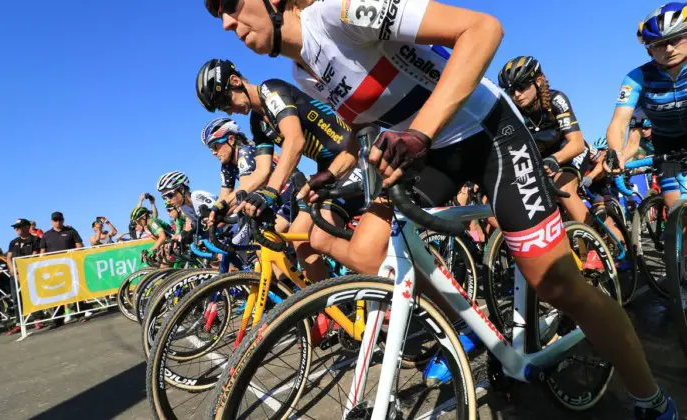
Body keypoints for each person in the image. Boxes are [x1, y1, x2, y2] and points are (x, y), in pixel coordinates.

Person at [206, 1, 675, 418]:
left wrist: (421, 133)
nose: (227, 22)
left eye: (229, 3)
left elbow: (483, 29)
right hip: (428, 150)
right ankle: (464, 326)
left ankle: (651, 399)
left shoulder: (342, 11)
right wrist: (333, 171)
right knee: (370, 253)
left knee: (555, 283)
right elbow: (358, 123)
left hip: (487, 133)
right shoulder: (303, 72)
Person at [196, 59, 363, 285]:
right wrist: (223, 204)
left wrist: (271, 192)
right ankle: (328, 314)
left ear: (235, 82)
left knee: (320, 239)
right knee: (301, 242)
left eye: (226, 101)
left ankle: (381, 283)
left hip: (352, 158)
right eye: (223, 108)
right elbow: (261, 173)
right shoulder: (257, 122)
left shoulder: (270, 90)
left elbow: (295, 140)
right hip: (327, 169)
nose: (229, 110)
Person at [607, 2, 687, 218]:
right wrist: (615, 155)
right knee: (678, 213)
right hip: (667, 148)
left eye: (676, 38)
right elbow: (619, 122)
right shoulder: (636, 78)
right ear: (649, 49)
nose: (669, 49)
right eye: (659, 44)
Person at [497, 56, 592, 225]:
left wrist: (555, 159)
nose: (516, 95)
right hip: (544, 160)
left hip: (570, 151)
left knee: (563, 187)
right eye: (511, 91)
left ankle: (596, 245)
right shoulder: (515, 114)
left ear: (539, 81)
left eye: (521, 87)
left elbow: (577, 143)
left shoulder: (556, 99)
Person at [40, 212, 83, 326]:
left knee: (75, 289)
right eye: (55, 220)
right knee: (56, 292)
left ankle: (80, 313)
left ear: (63, 220)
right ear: (51, 221)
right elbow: (42, 252)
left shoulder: (71, 231)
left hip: (71, 266)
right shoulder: (46, 235)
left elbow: (79, 246)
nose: (57, 222)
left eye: (59, 220)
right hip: (54, 268)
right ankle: (58, 318)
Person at [6, 219, 43, 335]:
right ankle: (19, 323)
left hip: (29, 273)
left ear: (27, 227)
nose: (16, 229)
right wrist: (12, 270)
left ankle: (38, 319)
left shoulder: (35, 239)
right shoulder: (13, 242)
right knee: (17, 299)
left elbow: (35, 255)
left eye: (19, 226)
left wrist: (23, 271)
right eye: (15, 227)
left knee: (33, 296)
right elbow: (8, 257)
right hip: (15, 275)